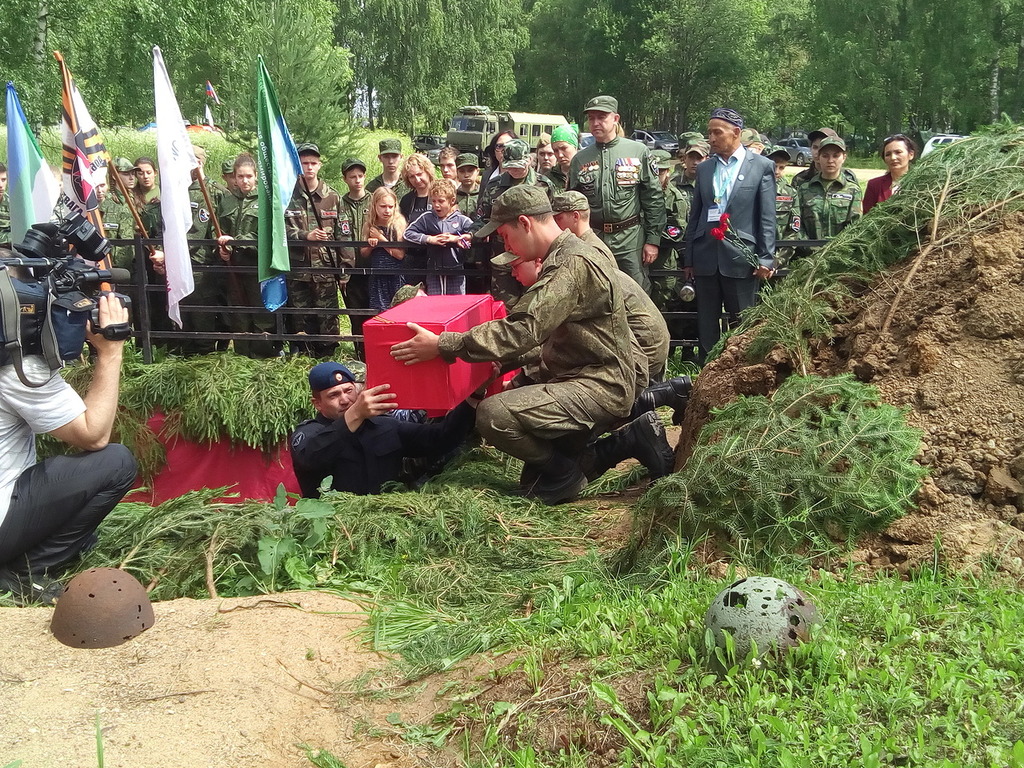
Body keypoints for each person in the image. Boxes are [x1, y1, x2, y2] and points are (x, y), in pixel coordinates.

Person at [390, 185, 637, 505]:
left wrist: (443, 344)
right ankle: (627, 441)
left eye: (506, 236)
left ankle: (565, 473)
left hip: (600, 384)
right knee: (532, 480)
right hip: (591, 376)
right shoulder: (569, 254)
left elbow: (523, 328)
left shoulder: (569, 264)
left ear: (525, 223)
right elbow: (539, 333)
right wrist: (499, 363)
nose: (506, 245)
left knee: (494, 415)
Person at [0, 294, 137, 605]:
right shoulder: (17, 371)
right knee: (116, 462)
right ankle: (24, 570)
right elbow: (94, 434)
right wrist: (111, 351)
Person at [290, 362, 479, 497]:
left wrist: (473, 397)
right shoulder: (308, 435)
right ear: (317, 404)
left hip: (389, 524)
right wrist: (355, 414)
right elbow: (312, 457)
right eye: (333, 395)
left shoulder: (384, 426)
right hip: (335, 531)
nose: (345, 400)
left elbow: (441, 438)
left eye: (348, 391)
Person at [683, 108, 776, 362]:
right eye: (709, 132)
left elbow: (767, 216)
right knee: (707, 325)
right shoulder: (705, 169)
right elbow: (696, 215)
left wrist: (766, 257)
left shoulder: (761, 167)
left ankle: (740, 373)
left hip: (740, 258)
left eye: (717, 132)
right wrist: (689, 257)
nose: (711, 138)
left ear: (736, 133)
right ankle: (706, 375)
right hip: (705, 257)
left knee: (742, 323)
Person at [550, 190, 670, 387]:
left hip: (642, 344)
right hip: (637, 341)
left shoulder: (590, 253)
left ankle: (661, 394)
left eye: (558, 217)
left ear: (575, 216)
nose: (554, 224)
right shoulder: (586, 246)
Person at [568, 95, 665, 294]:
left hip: (630, 239)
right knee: (596, 295)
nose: (595, 123)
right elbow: (572, 204)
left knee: (637, 295)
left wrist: (653, 240)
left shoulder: (638, 152)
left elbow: (653, 198)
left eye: (601, 117)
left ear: (615, 119)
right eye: (591, 118)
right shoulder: (580, 159)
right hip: (594, 239)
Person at [284, 143, 352, 359]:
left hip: (325, 269)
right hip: (298, 270)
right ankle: (304, 358)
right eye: (304, 163)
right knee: (301, 318)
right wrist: (305, 236)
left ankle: (328, 358)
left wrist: (345, 269)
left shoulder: (332, 197)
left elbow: (344, 235)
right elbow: (279, 232)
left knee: (328, 317)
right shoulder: (287, 196)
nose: (309, 167)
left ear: (320, 165)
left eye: (313, 163)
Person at [217, 153, 279, 358]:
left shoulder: (265, 201)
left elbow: (267, 235)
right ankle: (242, 357)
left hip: (257, 267)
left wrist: (236, 242)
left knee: (262, 314)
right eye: (240, 176)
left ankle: (263, 357)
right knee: (238, 313)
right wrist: (221, 249)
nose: (244, 181)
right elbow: (216, 230)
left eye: (249, 176)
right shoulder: (226, 201)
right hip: (233, 267)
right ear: (234, 177)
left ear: (256, 176)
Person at [404, 180, 474, 295]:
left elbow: (476, 231)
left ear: (452, 201)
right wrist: (429, 239)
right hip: (433, 271)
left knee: (455, 304)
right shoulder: (427, 217)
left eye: (441, 201)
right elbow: (408, 233)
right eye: (433, 201)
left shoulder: (461, 219)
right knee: (435, 304)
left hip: (456, 271)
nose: (436, 205)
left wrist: (456, 239)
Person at [794, 136, 862, 249]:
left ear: (844, 157)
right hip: (808, 256)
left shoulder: (853, 190)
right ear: (818, 158)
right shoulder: (804, 189)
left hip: (840, 255)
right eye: (825, 156)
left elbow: (855, 227)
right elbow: (797, 225)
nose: (830, 160)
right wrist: (809, 248)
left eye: (836, 156)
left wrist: (834, 252)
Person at [340, 158, 373, 358]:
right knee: (356, 315)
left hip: (373, 268)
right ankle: (360, 354)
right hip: (351, 271)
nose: (357, 180)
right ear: (345, 179)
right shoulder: (339, 203)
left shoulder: (374, 199)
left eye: (360, 176)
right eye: (353, 177)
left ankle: (375, 353)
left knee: (375, 312)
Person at [363, 187, 408, 311]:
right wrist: (371, 245)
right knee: (379, 312)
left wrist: (381, 240)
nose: (387, 210)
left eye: (390, 206)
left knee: (398, 310)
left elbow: (400, 255)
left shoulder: (398, 223)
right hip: (378, 276)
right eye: (383, 206)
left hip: (396, 275)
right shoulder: (370, 224)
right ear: (375, 206)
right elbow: (363, 253)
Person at [863, 134, 918, 214]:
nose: (893, 158)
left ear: (911, 154)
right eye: (888, 154)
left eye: (898, 152)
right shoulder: (874, 185)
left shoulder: (922, 183)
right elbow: (866, 217)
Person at [791, 128, 859, 189]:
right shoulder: (800, 179)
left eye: (823, 148)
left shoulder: (848, 177)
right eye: (815, 147)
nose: (818, 152)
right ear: (810, 148)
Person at [765, 144, 799, 267]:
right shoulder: (751, 188)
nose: (777, 171)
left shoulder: (790, 193)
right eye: (773, 166)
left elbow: (793, 231)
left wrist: (777, 261)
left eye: (781, 167)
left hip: (779, 261)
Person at [548, 124, 579, 194]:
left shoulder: (587, 173)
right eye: (555, 150)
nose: (560, 155)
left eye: (563, 148)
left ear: (575, 146)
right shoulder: (548, 178)